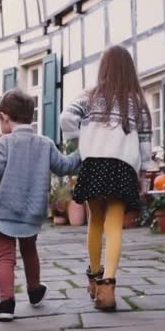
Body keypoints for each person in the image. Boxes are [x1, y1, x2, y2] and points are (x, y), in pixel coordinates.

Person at [59, 45, 152, 311]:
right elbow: (145, 144)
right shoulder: (138, 103)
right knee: (114, 225)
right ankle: (109, 284)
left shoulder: (89, 95)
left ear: (104, 68)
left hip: (94, 164)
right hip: (122, 167)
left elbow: (66, 117)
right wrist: (143, 174)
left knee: (95, 221)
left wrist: (82, 136)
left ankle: (94, 276)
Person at [0, 89, 81, 321]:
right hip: (31, 213)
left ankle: (6, 303)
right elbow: (66, 166)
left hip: (4, 212)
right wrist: (83, 151)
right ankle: (35, 290)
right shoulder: (45, 144)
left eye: (1, 119)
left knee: (5, 257)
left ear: (5, 117)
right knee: (29, 251)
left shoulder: (3, 143)